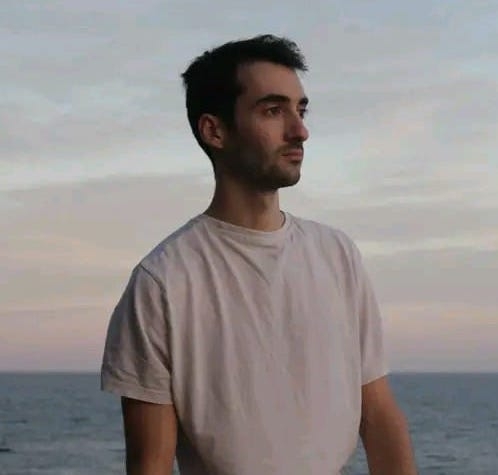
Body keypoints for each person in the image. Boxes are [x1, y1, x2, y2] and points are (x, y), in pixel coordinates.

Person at [101, 34, 418, 475]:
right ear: (214, 131)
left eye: (300, 110)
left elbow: (379, 416)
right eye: (273, 110)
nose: (299, 130)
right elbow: (150, 463)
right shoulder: (162, 282)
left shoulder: (336, 254)